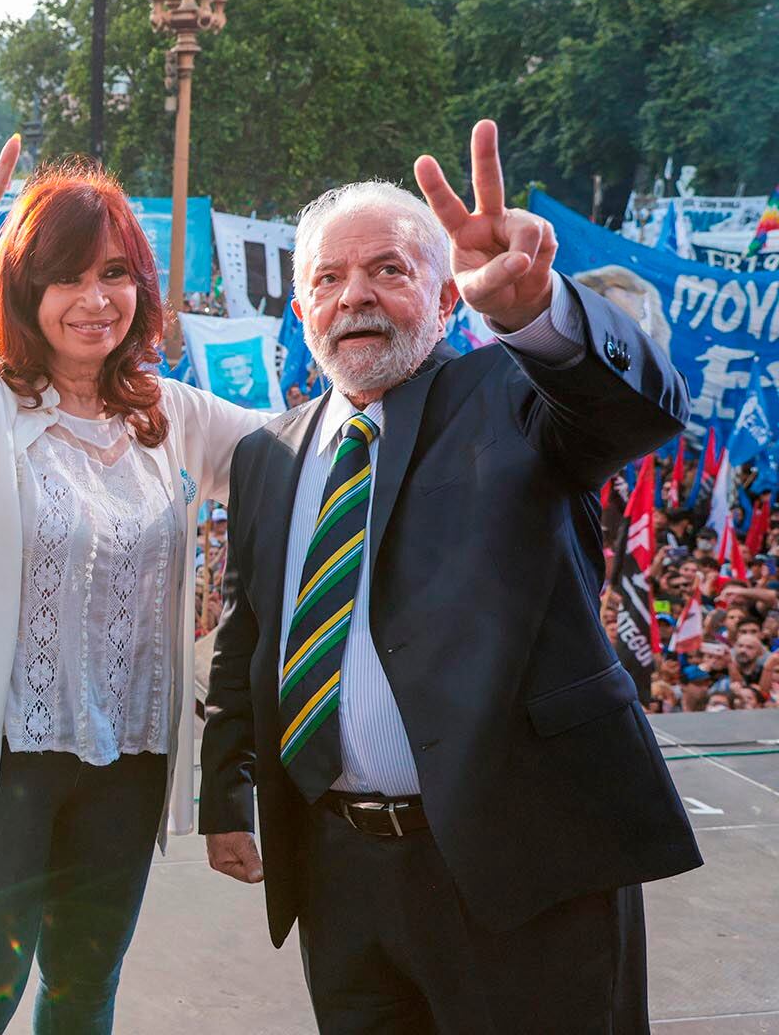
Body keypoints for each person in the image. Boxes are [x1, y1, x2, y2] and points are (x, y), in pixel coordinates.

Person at [199, 121, 702, 1032]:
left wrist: (533, 311)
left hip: (522, 864)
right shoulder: (268, 454)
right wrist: (225, 793)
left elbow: (637, 412)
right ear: (302, 309)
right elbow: (250, 634)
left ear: (441, 296)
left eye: (388, 270)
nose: (355, 295)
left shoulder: (514, 395)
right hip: (339, 875)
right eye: (328, 278)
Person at [0, 115, 268, 1034]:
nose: (94, 299)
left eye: (114, 272)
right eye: (66, 276)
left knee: (83, 997)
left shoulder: (166, 413)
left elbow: (296, 456)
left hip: (126, 768)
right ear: (24, 289)